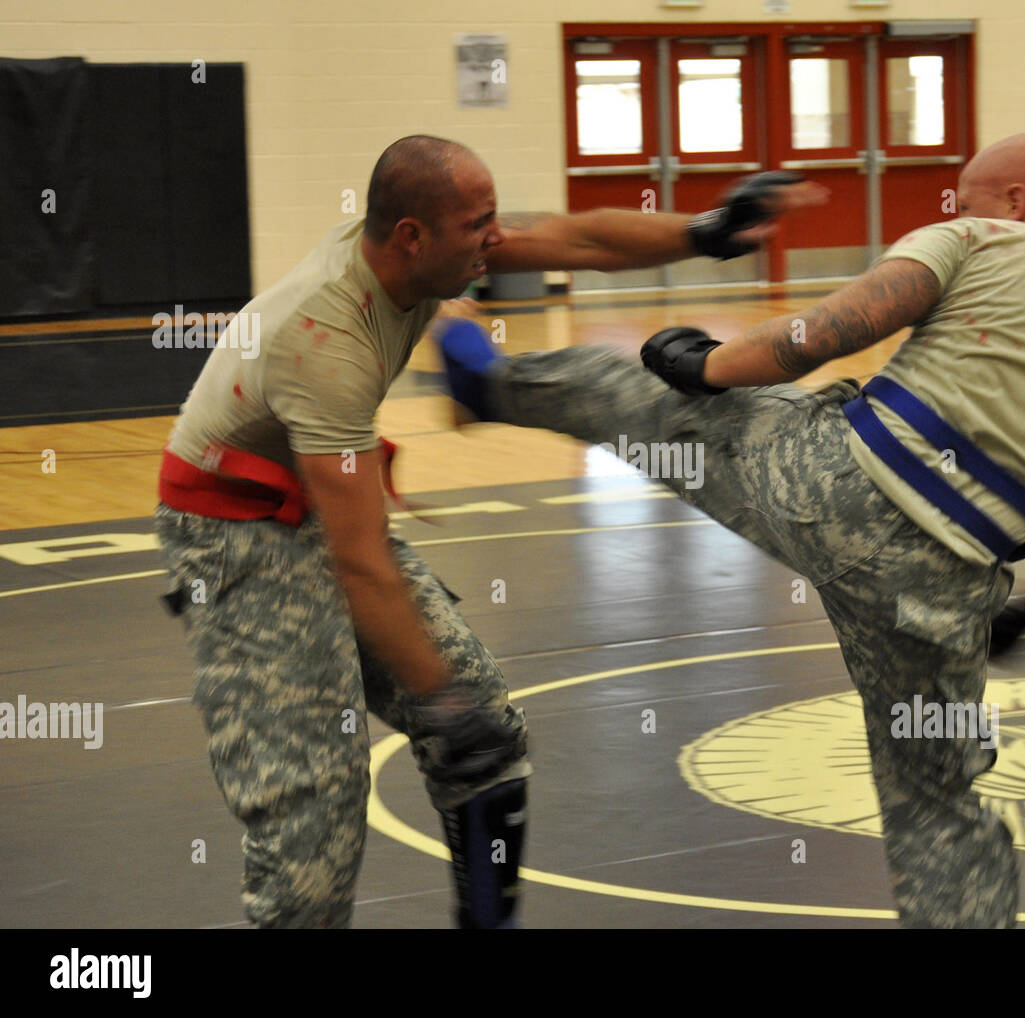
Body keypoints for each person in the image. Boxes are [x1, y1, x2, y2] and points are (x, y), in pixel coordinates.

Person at [436, 132, 1025, 929]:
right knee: (938, 803)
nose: (957, 207)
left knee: (654, 401)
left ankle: (487, 379)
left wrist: (708, 364)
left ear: (1017, 202)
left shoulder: (979, 237)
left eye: (968, 193)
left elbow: (821, 335)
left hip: (843, 491)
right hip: (947, 585)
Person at [153, 134, 821, 929]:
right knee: (312, 835)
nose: (495, 241)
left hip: (325, 499)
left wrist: (707, 230)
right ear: (411, 236)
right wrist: (436, 697)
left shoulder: (424, 252)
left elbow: (579, 238)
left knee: (488, 740)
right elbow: (360, 561)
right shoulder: (324, 339)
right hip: (238, 534)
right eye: (479, 226)